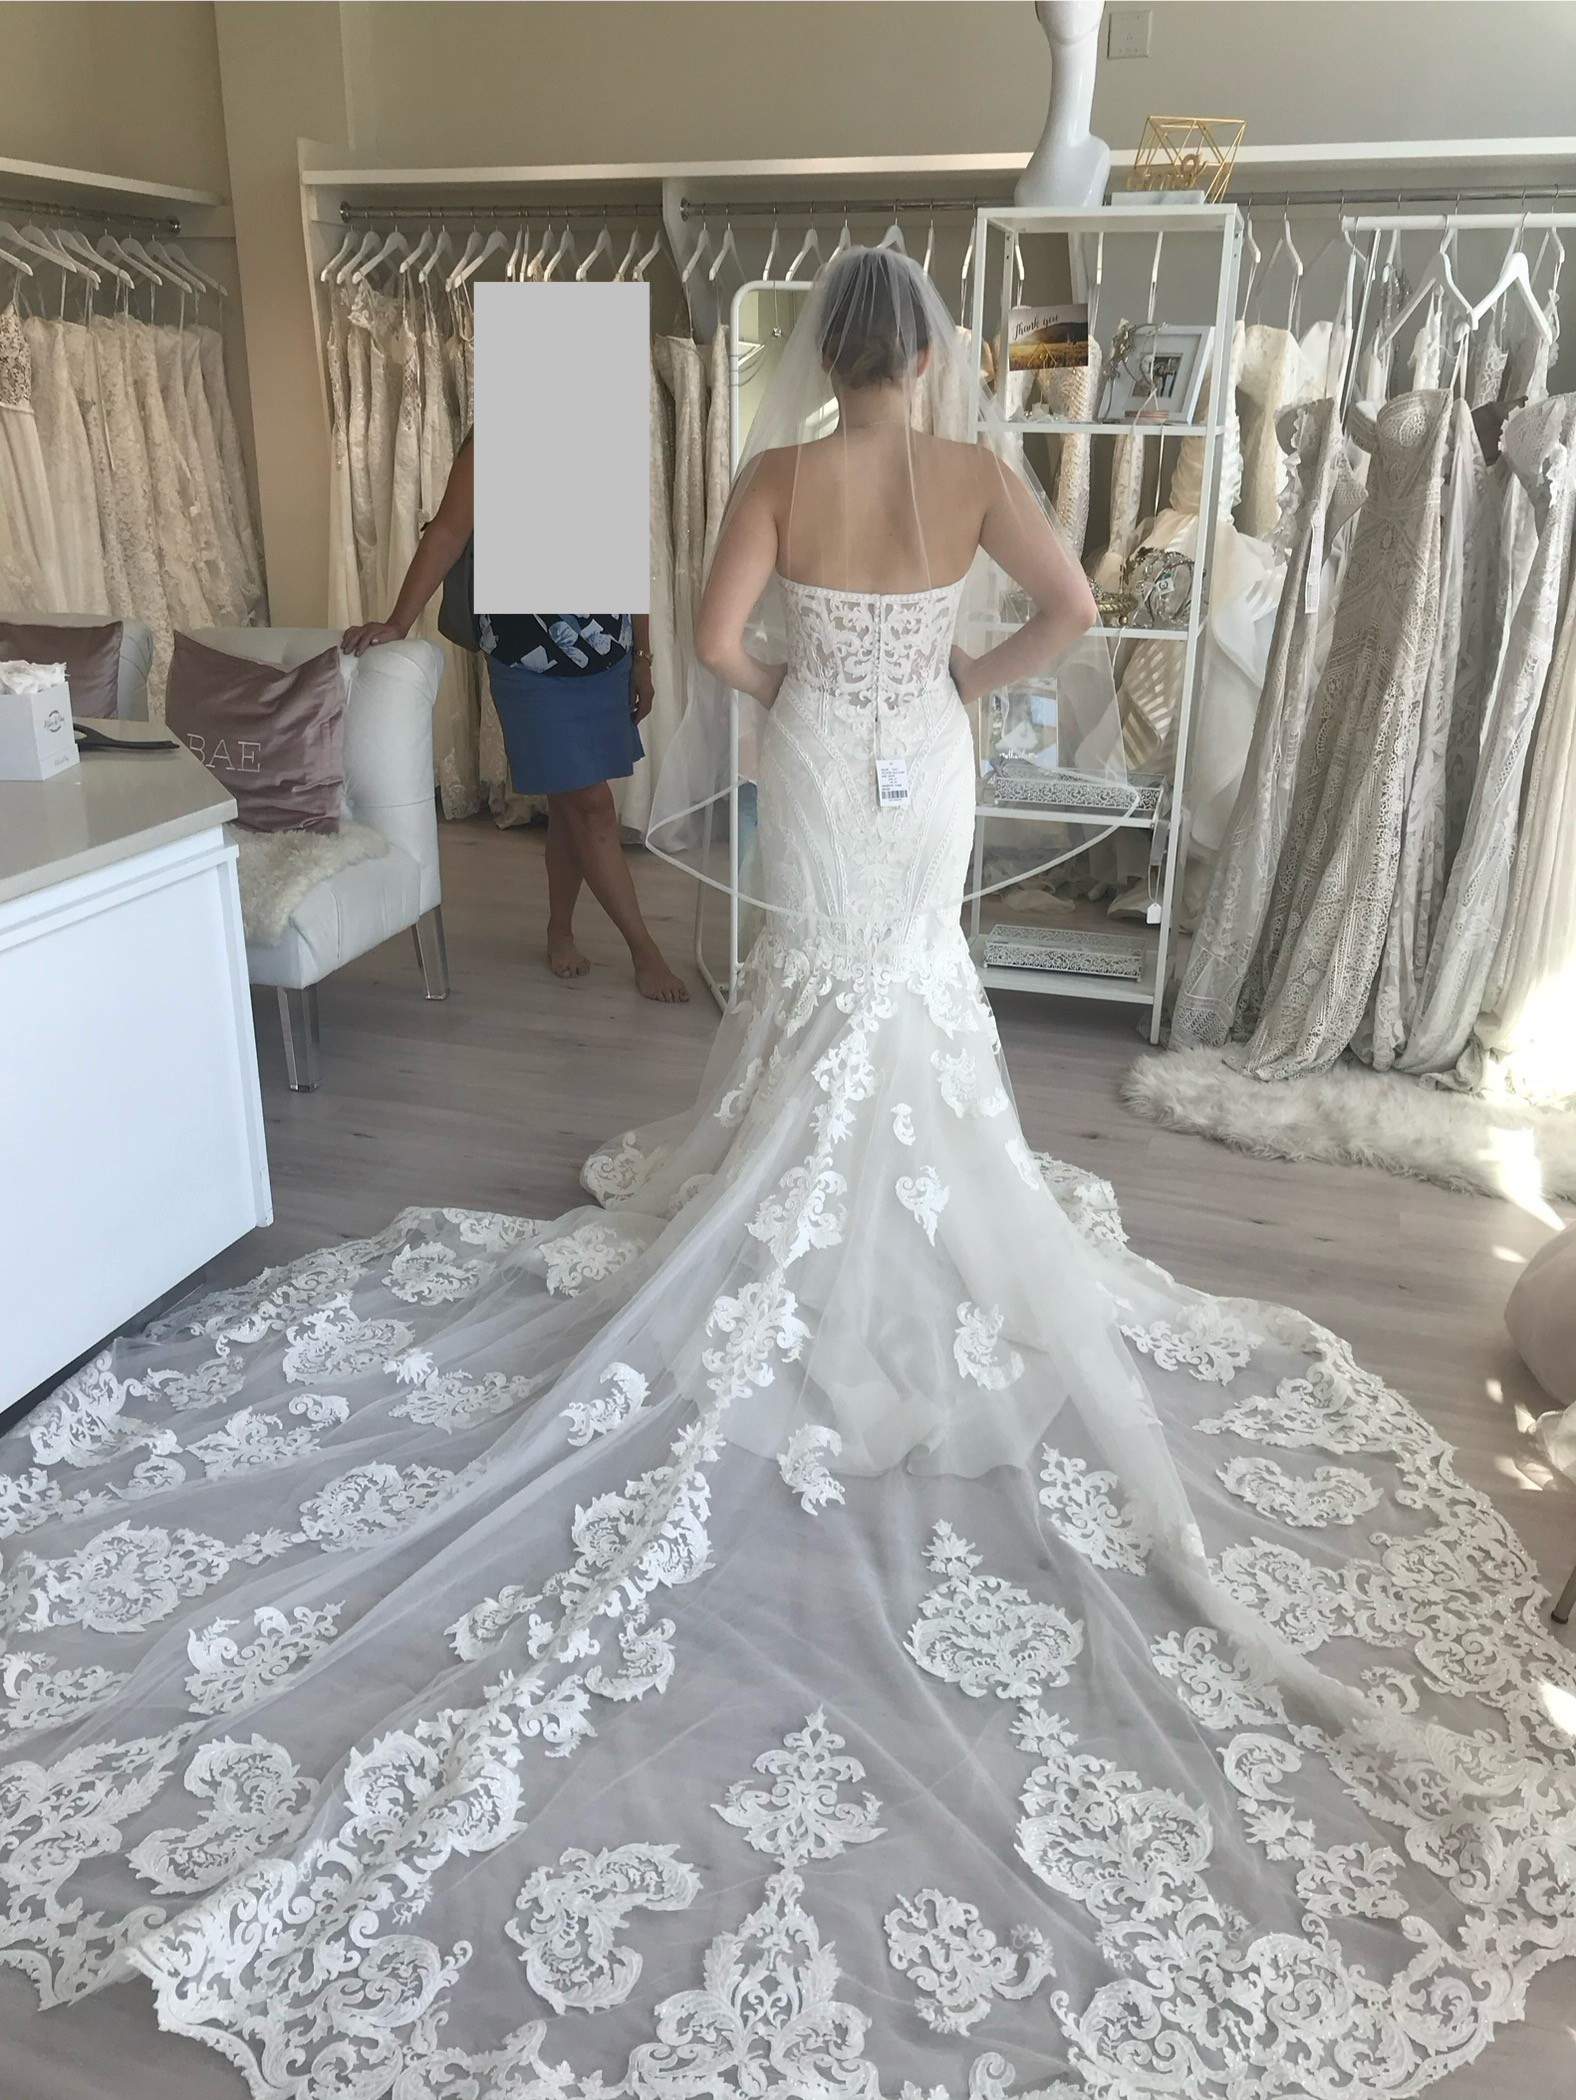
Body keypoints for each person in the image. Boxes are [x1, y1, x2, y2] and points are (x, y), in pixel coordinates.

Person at [5, 249, 1575, 2095]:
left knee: (825, 977)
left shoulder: (774, 472)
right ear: (934, 354)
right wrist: (961, 673)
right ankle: (892, 1200)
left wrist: (814, 679)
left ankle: (784, 1184)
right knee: (909, 985)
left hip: (829, 747)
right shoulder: (979, 472)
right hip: (931, 749)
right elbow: (1071, 612)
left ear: (830, 355)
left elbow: (721, 643)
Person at [345, 432, 687, 1001]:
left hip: (605, 652)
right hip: (529, 658)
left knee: (571, 801)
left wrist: (644, 658)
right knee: (592, 804)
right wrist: (399, 621)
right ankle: (643, 950)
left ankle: (560, 929)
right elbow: (448, 533)